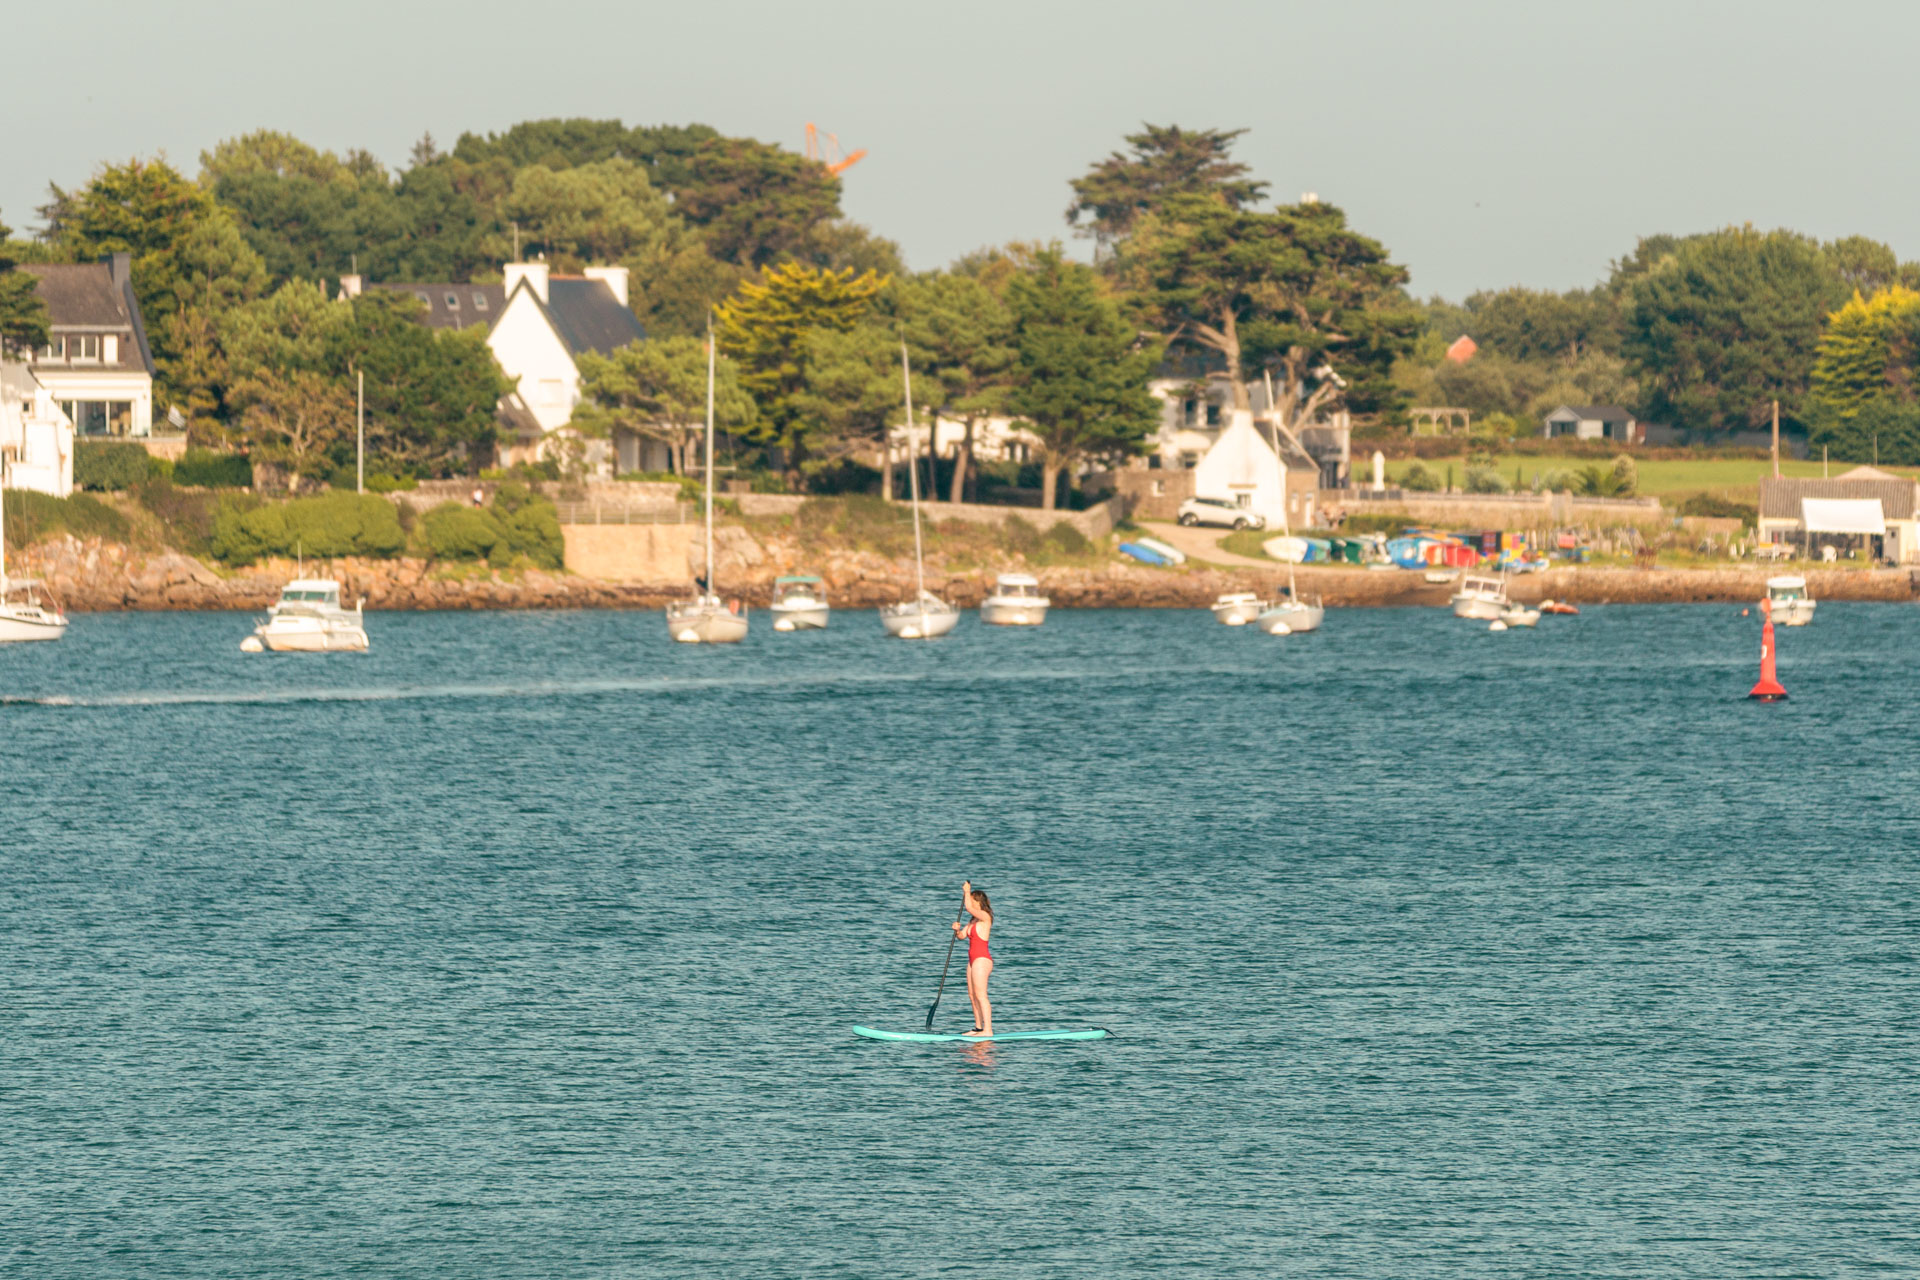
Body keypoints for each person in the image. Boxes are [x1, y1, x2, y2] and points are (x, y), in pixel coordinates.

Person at [951, 880, 993, 1036]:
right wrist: (957, 930)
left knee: (981, 995)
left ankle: (988, 1030)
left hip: (982, 960)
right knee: (972, 995)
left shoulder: (985, 916)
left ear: (979, 902)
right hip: (972, 961)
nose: (970, 903)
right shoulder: (973, 921)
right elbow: (962, 936)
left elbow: (967, 907)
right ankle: (978, 1028)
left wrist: (966, 891)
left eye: (973, 900)